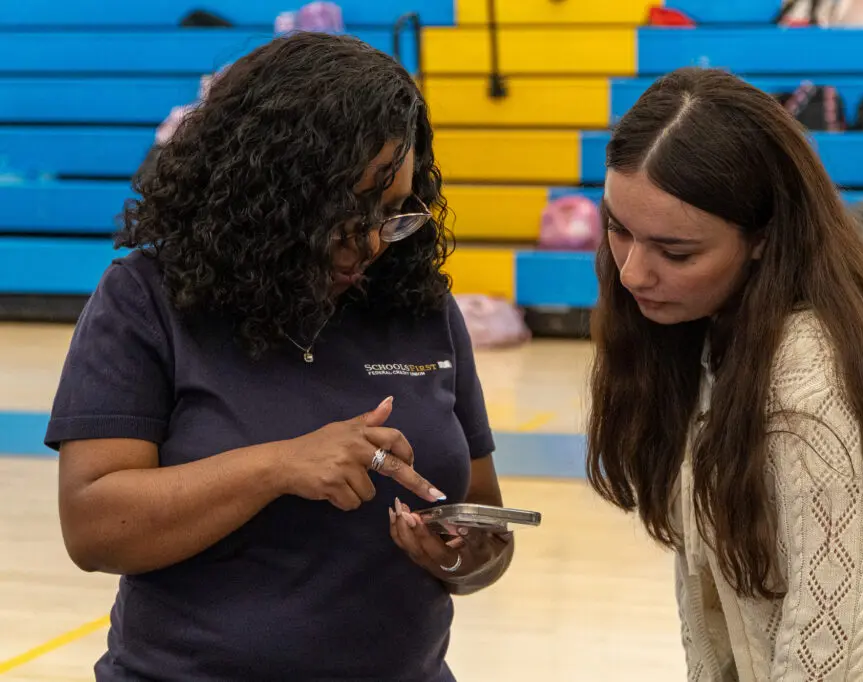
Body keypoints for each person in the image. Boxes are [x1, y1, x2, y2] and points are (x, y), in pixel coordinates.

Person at [46, 33, 514, 682]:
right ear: (266, 196)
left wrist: (464, 557)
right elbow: (94, 528)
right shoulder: (146, 300)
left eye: (392, 212)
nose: (374, 242)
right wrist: (279, 466)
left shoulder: (420, 307)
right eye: (346, 214)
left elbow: (480, 517)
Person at [585, 67, 863, 680]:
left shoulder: (817, 392)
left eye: (675, 252)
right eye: (618, 229)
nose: (632, 273)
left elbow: (837, 662)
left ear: (763, 237)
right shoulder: (711, 328)